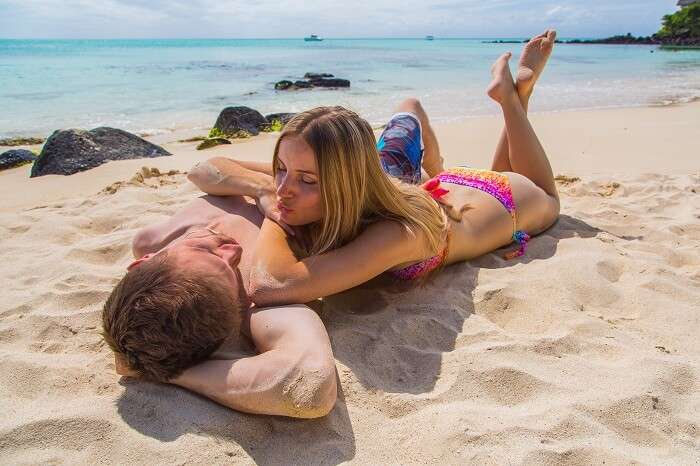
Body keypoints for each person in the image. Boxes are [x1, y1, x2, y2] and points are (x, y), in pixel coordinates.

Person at [189, 30, 560, 306]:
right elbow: (203, 169)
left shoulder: (396, 233)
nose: (285, 186)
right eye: (281, 168)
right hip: (447, 187)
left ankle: (513, 97)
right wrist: (263, 189)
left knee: (549, 200)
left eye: (306, 179)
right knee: (413, 111)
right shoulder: (320, 178)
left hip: (508, 200)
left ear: (349, 179)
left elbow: (270, 286)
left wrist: (274, 212)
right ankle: (514, 93)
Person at [102, 190, 337, 419]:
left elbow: (210, 170)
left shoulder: (150, 240)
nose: (234, 251)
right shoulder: (257, 303)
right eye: (232, 270)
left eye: (205, 251)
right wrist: (174, 374)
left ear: (144, 261)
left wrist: (258, 187)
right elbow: (310, 385)